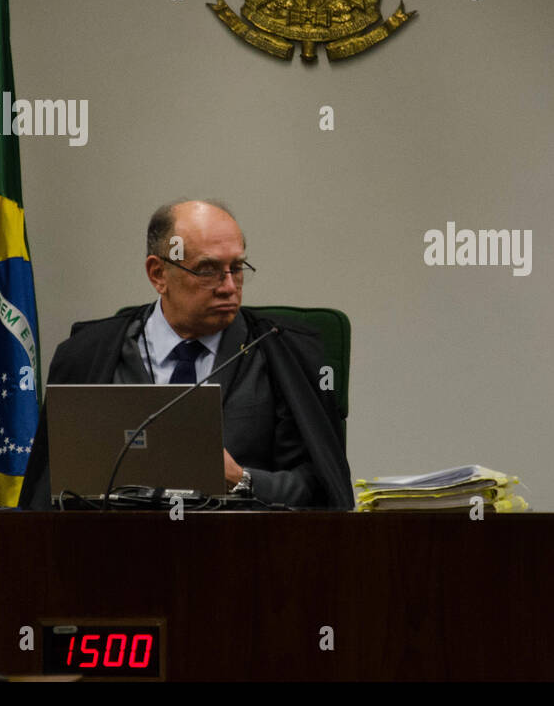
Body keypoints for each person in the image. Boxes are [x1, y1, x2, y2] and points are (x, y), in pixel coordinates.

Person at [18, 199, 353, 509]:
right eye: (207, 270)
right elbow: (51, 494)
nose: (228, 287)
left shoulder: (283, 352)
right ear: (158, 274)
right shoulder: (87, 354)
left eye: (236, 268)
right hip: (115, 552)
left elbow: (317, 490)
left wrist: (242, 481)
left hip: (245, 552)